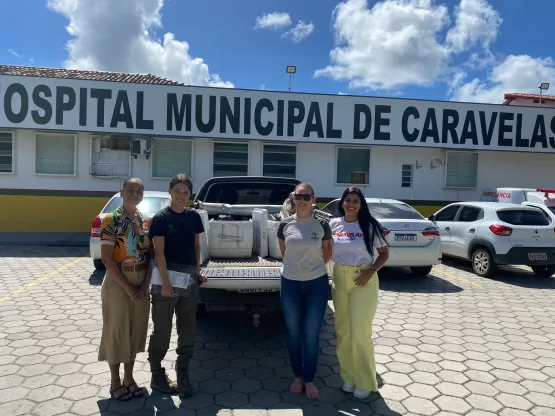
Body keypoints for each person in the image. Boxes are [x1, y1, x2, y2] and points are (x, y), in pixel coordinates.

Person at [147, 174, 208, 399]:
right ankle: (156, 373)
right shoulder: (161, 218)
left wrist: (197, 271)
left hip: (188, 279)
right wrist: (164, 283)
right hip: (165, 280)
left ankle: (182, 371)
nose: (181, 196)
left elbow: (196, 246)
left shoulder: (194, 217)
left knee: (188, 329)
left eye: (185, 192)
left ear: (190, 194)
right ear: (170, 191)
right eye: (177, 191)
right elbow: (159, 253)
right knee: (162, 331)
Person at [329, 186, 389, 399]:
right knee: (343, 333)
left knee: (360, 334)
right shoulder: (334, 224)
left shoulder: (370, 226)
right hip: (339, 279)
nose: (351, 204)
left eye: (355, 200)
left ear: (361, 204)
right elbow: (325, 252)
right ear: (342, 203)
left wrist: (370, 272)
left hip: (363, 280)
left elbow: (383, 254)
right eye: (348, 200)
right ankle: (349, 378)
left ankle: (365, 380)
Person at [98, 177, 152, 401]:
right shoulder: (111, 220)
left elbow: (151, 255)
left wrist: (145, 284)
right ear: (122, 191)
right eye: (130, 190)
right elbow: (107, 260)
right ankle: (115, 382)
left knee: (135, 330)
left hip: (141, 279)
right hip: (119, 280)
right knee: (117, 331)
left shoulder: (145, 221)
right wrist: (129, 288)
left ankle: (129, 378)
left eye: (139, 191)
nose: (134, 194)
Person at [277, 183, 332, 400]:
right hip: (290, 283)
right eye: (298, 196)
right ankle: (297, 376)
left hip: (316, 284)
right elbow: (284, 252)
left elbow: (327, 253)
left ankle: (309, 378)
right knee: (293, 334)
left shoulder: (322, 224)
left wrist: (312, 268)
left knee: (310, 335)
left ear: (313, 198)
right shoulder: (284, 224)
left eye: (306, 196)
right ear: (293, 198)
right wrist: (297, 268)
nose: (302, 200)